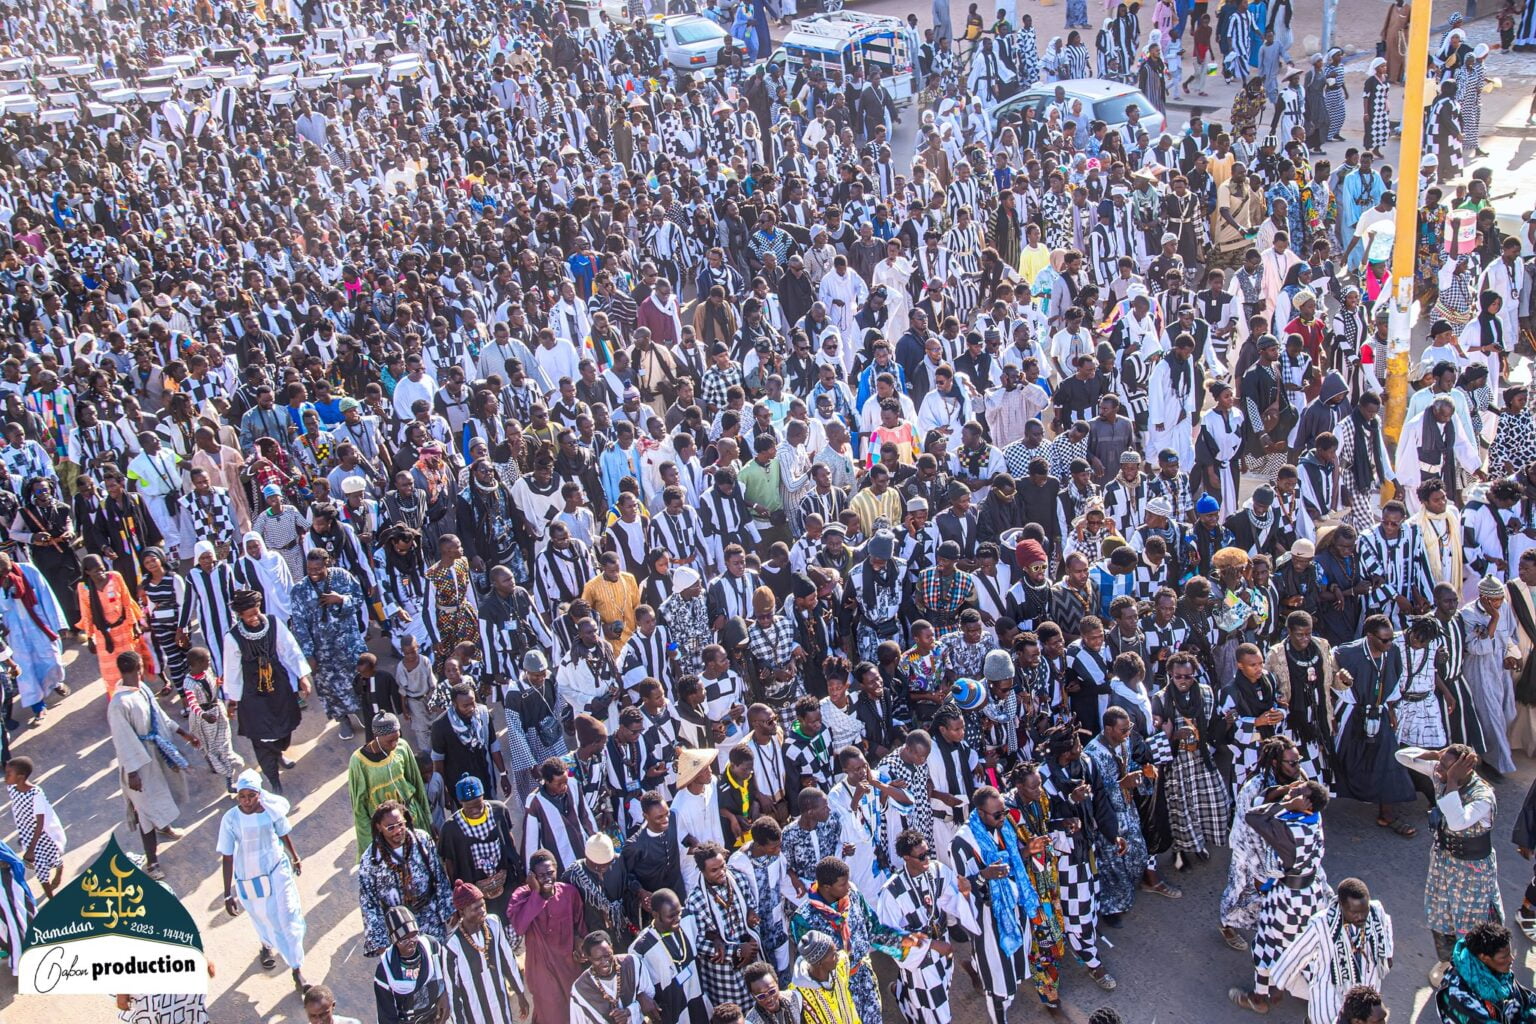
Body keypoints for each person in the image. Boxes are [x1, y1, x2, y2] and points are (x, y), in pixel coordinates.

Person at [1398, 745, 1504, 986]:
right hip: (1444, 862)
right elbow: (1401, 756)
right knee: (1440, 913)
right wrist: (1436, 755)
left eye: (1446, 767)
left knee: (1472, 922)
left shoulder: (1482, 797)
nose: (1439, 771)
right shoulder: (1441, 772)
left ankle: (1477, 972)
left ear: (1465, 769)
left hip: (1472, 870)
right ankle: (1450, 963)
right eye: (1442, 765)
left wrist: (1452, 781)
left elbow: (1457, 822)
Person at [1229, 779, 1331, 1012]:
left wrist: (1286, 805)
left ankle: (1261, 997)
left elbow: (1252, 816)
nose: (1293, 788)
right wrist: (1291, 797)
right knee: (1302, 945)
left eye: (1299, 791)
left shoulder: (1289, 830)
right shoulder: (1314, 819)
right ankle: (1298, 988)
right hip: (1311, 894)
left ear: (1306, 804)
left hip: (1287, 899)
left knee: (1267, 943)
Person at [107, 650, 196, 880]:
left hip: (156, 753)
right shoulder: (119, 704)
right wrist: (133, 772)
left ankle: (164, 827)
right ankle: (152, 862)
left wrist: (183, 733)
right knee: (146, 810)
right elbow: (123, 740)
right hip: (138, 765)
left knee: (163, 795)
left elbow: (159, 717)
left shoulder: (143, 690)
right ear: (138, 667)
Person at [217, 769, 309, 992]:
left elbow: (282, 833)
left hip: (277, 868)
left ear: (259, 794)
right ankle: (266, 945)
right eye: (242, 796)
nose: (247, 801)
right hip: (249, 876)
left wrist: (295, 856)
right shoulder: (230, 819)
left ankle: (297, 969)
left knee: (288, 915)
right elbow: (227, 856)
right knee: (263, 915)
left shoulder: (271, 811)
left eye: (251, 796)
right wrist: (228, 893)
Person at [222, 589, 312, 795]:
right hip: (252, 694)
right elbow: (232, 670)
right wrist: (234, 700)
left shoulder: (273, 624)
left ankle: (279, 753)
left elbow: (290, 649)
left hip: (278, 685)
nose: (254, 618)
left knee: (284, 725)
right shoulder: (233, 638)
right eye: (249, 615)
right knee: (261, 737)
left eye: (256, 612)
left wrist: (302, 676)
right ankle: (273, 778)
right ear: (240, 616)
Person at [1269, 877, 1393, 1024]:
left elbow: (1386, 927)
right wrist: (1279, 985)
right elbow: (1297, 954)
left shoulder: (1376, 910)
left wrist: (1388, 954)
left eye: (1364, 911)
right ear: (1341, 905)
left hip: (1365, 996)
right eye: (1355, 912)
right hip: (1331, 996)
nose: (1361, 917)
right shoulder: (1321, 924)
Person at [358, 801, 456, 955]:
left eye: (400, 824)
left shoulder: (422, 840)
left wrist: (450, 910)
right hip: (397, 928)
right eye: (390, 827)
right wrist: (380, 942)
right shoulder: (370, 860)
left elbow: (439, 877)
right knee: (411, 972)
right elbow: (368, 903)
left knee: (438, 962)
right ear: (379, 827)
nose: (397, 830)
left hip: (429, 916)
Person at [289, 547, 367, 737]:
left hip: (349, 645)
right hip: (322, 652)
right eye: (310, 569)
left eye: (318, 569)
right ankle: (343, 720)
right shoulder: (299, 590)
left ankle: (362, 712)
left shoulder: (342, 577)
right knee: (329, 689)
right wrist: (308, 655)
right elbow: (299, 625)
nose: (314, 573)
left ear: (328, 564)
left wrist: (341, 600)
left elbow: (359, 599)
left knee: (358, 680)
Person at [509, 849, 587, 1024]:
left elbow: (580, 927)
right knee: (551, 1014)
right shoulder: (521, 896)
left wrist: (579, 941)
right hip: (541, 970)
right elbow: (520, 926)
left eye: (550, 873)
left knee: (575, 1011)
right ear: (532, 876)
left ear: (557, 870)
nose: (546, 878)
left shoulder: (569, 893)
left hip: (569, 965)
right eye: (541, 875)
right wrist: (536, 894)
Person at [441, 880, 530, 1024]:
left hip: (501, 1007)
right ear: (462, 911)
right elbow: (453, 992)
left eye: (483, 905)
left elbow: (507, 958)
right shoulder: (452, 946)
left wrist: (520, 993)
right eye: (476, 908)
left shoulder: (493, 923)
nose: (482, 910)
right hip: (475, 1015)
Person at [347, 712, 432, 856]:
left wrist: (428, 820)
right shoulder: (358, 761)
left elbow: (416, 783)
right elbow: (359, 808)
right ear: (376, 737)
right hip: (386, 830)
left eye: (397, 738)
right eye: (389, 741)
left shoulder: (402, 747)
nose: (394, 744)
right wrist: (370, 843)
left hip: (412, 818)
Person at [1437, 922, 1536, 1022]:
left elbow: (1526, 1001)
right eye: (1504, 957)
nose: (1512, 959)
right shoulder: (1458, 994)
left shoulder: (1499, 971)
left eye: (1510, 953)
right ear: (1484, 958)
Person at [373, 906, 451, 1024]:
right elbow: (387, 1018)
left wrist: (445, 995)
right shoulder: (385, 972)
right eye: (404, 939)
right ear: (394, 941)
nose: (411, 942)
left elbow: (448, 976)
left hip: (440, 1016)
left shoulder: (432, 946)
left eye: (414, 935)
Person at [569, 929, 661, 1024]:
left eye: (607, 955)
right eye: (598, 959)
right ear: (589, 958)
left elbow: (650, 996)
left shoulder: (632, 963)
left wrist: (629, 1012)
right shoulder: (581, 989)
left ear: (612, 948)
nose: (605, 962)